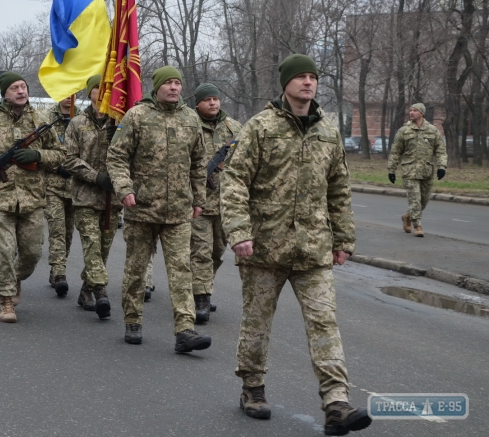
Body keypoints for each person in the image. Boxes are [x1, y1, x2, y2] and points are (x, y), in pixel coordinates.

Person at [222, 54, 370, 435]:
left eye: (312, 77)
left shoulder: (328, 131)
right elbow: (234, 181)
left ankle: (336, 402)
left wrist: (344, 238)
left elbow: (338, 187)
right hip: (264, 249)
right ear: (286, 83)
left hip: (313, 248)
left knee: (325, 323)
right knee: (257, 324)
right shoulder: (261, 127)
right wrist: (239, 232)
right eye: (300, 77)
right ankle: (252, 387)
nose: (308, 83)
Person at [106, 65, 212, 352]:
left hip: (179, 211)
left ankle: (185, 330)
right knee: (136, 269)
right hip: (142, 209)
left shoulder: (191, 119)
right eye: (169, 83)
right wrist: (125, 189)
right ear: (158, 87)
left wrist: (199, 198)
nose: (174, 88)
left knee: (181, 269)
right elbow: (116, 157)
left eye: (178, 83)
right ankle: (133, 320)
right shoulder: (137, 116)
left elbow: (200, 162)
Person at [0, 72, 65, 323]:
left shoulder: (40, 119)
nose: (21, 91)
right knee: (5, 251)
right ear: (5, 93)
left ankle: (16, 279)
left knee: (31, 254)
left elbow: (61, 155)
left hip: (32, 199)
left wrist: (39, 156)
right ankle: (6, 300)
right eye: (15, 88)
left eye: (24, 87)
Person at [63, 75, 122, 318]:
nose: (104, 90)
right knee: (91, 244)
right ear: (91, 93)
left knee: (103, 249)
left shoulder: (120, 123)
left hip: (112, 198)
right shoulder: (76, 124)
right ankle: (100, 292)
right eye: (99, 87)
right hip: (85, 195)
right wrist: (95, 176)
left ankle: (86, 289)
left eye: (108, 86)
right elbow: (68, 159)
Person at [190, 83, 243, 323]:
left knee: (216, 253)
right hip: (197, 202)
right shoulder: (189, 125)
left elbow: (245, 160)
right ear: (198, 103)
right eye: (207, 99)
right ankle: (201, 298)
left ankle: (203, 288)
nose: (213, 103)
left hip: (226, 203)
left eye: (216, 99)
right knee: (200, 251)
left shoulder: (234, 128)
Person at [387, 103, 447, 237]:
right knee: (414, 200)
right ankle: (418, 226)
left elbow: (441, 150)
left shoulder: (432, 130)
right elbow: (395, 152)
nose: (411, 113)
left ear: (422, 113)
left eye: (415, 110)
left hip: (426, 171)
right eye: (410, 110)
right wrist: (391, 169)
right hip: (409, 170)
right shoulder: (404, 131)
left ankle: (407, 217)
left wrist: (442, 166)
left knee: (423, 201)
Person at [43, 96, 75, 297]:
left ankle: (57, 268)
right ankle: (59, 272)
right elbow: (39, 151)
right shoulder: (46, 119)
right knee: (57, 229)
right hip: (52, 185)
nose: (68, 98)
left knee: (68, 233)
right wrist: (56, 166)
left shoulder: (81, 119)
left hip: (75, 187)